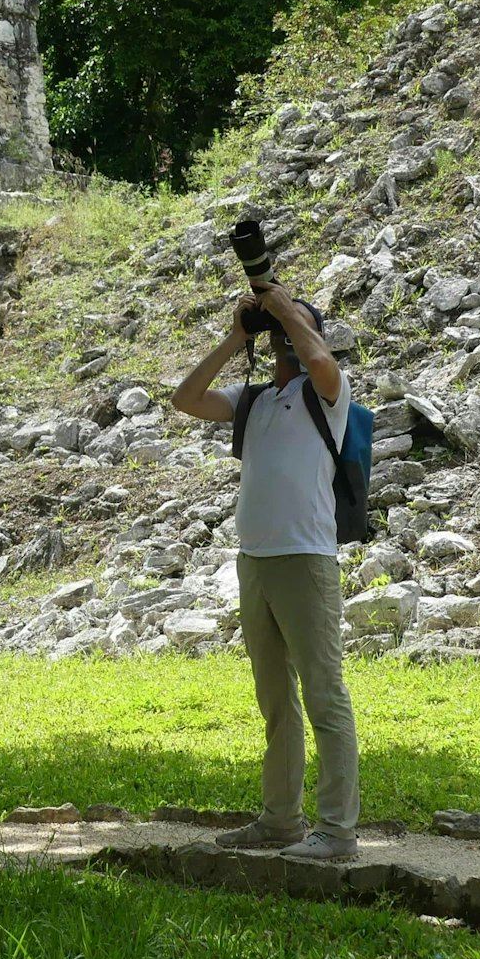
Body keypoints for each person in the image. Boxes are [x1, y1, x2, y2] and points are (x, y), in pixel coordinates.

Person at [169, 283, 359, 860]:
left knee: (324, 695)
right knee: (275, 699)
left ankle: (338, 831)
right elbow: (185, 397)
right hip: (254, 562)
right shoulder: (251, 400)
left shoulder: (326, 391)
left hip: (305, 559)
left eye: (291, 326)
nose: (281, 335)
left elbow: (321, 359)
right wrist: (236, 335)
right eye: (276, 330)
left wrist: (286, 309)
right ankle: (281, 820)